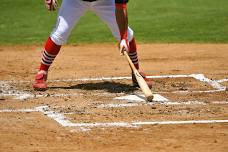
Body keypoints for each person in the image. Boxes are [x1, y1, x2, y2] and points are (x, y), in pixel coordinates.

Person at [33, 0, 152, 90]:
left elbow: (121, 7)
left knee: (128, 35)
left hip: (105, 1)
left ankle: (136, 72)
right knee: (60, 33)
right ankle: (42, 72)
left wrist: (123, 38)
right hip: (75, 1)